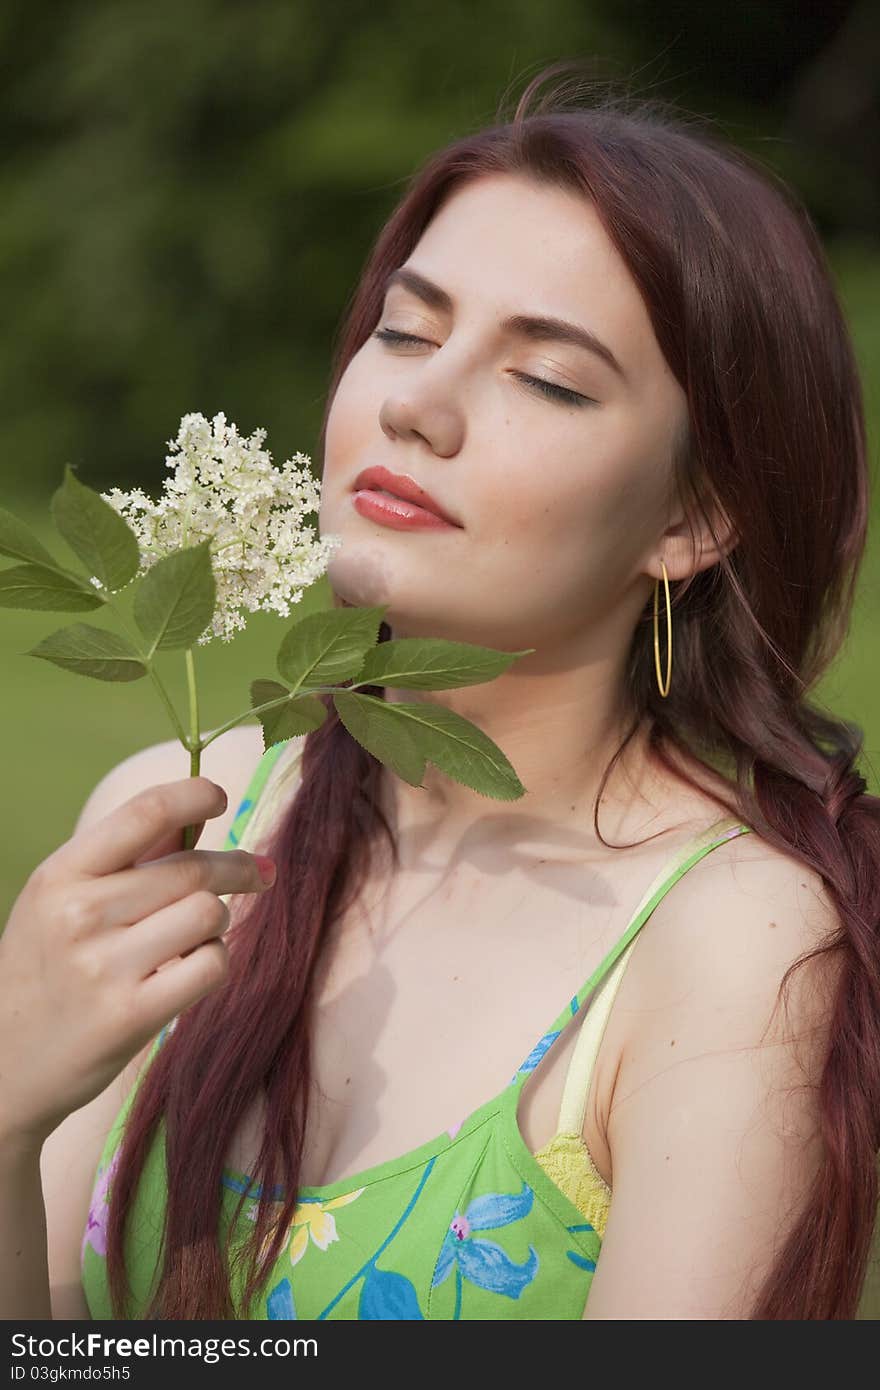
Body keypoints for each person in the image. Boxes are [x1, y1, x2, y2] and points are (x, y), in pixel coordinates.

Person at [2, 60, 878, 1322]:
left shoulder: (735, 948)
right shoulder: (192, 812)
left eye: (549, 379)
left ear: (693, 518)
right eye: (405, 331)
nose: (416, 404)